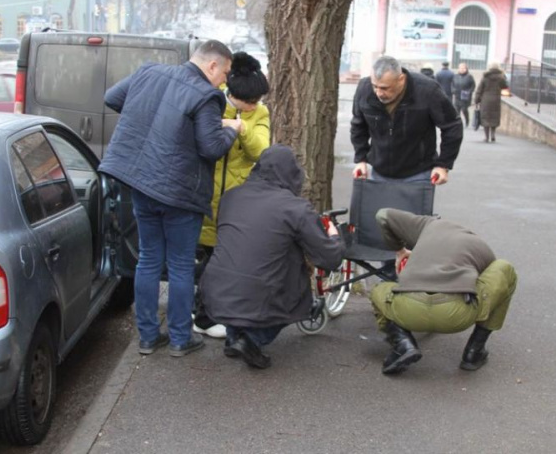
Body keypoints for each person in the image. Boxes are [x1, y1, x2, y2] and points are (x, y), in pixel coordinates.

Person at [99, 40, 242, 358]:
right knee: (179, 265)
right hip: (179, 193)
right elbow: (211, 148)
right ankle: (180, 338)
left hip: (142, 185)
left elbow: (112, 98)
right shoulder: (207, 95)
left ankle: (148, 337)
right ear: (212, 66)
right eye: (226, 73)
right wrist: (232, 129)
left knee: (148, 259)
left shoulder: (149, 72)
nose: (225, 81)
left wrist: (150, 118)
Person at [200, 145, 346, 369]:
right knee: (295, 288)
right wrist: (335, 237)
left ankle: (234, 338)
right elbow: (328, 258)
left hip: (214, 291)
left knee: (251, 261)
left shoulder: (232, 196)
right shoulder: (296, 208)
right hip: (258, 291)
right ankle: (252, 340)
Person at [369, 208, 517, 375]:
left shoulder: (428, 226)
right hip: (456, 316)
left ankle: (402, 342)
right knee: (505, 270)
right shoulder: (480, 245)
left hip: (407, 310)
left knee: (379, 290)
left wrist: (400, 251)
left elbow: (383, 215)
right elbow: (492, 287)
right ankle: (473, 352)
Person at [193, 51, 271, 339]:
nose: (254, 106)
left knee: (218, 263)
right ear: (232, 94)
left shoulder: (258, 114)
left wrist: (241, 127)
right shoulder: (211, 102)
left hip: (234, 202)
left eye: (257, 102)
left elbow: (260, 150)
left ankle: (205, 314)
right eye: (249, 102)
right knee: (201, 261)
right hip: (202, 196)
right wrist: (221, 123)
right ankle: (200, 313)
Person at [350, 55, 463, 186]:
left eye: (385, 88)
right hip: (379, 171)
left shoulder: (427, 90)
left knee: (410, 208)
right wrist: (361, 159)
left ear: (401, 79)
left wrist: (443, 165)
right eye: (375, 86)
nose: (378, 93)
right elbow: (358, 126)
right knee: (380, 207)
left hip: (418, 172)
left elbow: (452, 126)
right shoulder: (364, 89)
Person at [474, 62, 508, 143]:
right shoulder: (501, 77)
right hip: (496, 99)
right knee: (494, 117)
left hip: (486, 100)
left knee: (486, 117)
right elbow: (505, 86)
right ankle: (493, 134)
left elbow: (479, 89)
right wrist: (503, 76)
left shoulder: (485, 77)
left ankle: (486, 137)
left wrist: (476, 100)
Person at [452, 62, 476, 128]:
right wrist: (453, 90)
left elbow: (473, 86)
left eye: (463, 68)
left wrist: (469, 91)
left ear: (466, 69)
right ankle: (457, 123)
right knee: (457, 110)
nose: (462, 69)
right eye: (460, 68)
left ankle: (467, 121)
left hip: (465, 96)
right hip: (457, 95)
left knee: (464, 109)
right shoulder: (455, 76)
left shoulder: (469, 77)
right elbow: (452, 84)